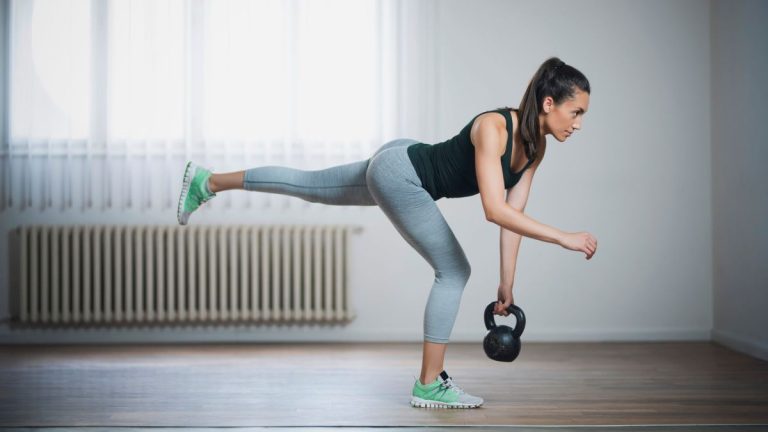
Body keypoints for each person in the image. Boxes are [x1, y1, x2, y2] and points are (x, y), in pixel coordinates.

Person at [177, 56, 598, 409]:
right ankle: (429, 384)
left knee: (308, 185)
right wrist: (563, 237)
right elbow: (494, 210)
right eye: (576, 112)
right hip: (403, 174)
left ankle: (208, 181)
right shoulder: (496, 127)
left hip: (402, 161)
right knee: (453, 271)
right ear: (548, 103)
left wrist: (507, 283)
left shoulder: (535, 151)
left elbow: (513, 217)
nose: (578, 124)